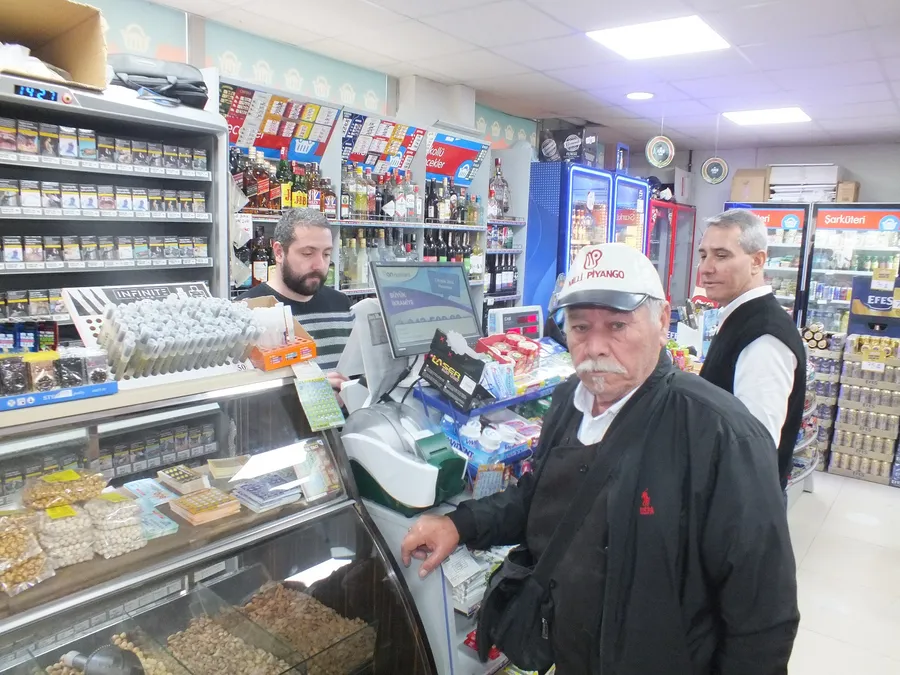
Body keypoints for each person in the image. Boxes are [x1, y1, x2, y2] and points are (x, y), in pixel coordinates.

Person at [400, 243, 799, 675]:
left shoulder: (722, 434)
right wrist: (459, 524)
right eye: (579, 327)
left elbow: (763, 616)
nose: (595, 347)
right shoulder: (566, 403)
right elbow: (537, 499)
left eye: (617, 326)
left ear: (662, 321)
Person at [697, 209, 807, 490]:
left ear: (757, 261)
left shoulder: (764, 336)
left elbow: (754, 445)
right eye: (703, 255)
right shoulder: (742, 318)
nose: (706, 268)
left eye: (722, 255)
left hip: (738, 500)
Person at [239, 208, 352, 388]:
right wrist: (317, 393)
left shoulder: (342, 305)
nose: (320, 265)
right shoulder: (245, 312)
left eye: (326, 254)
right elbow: (240, 393)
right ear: (279, 252)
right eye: (307, 253)